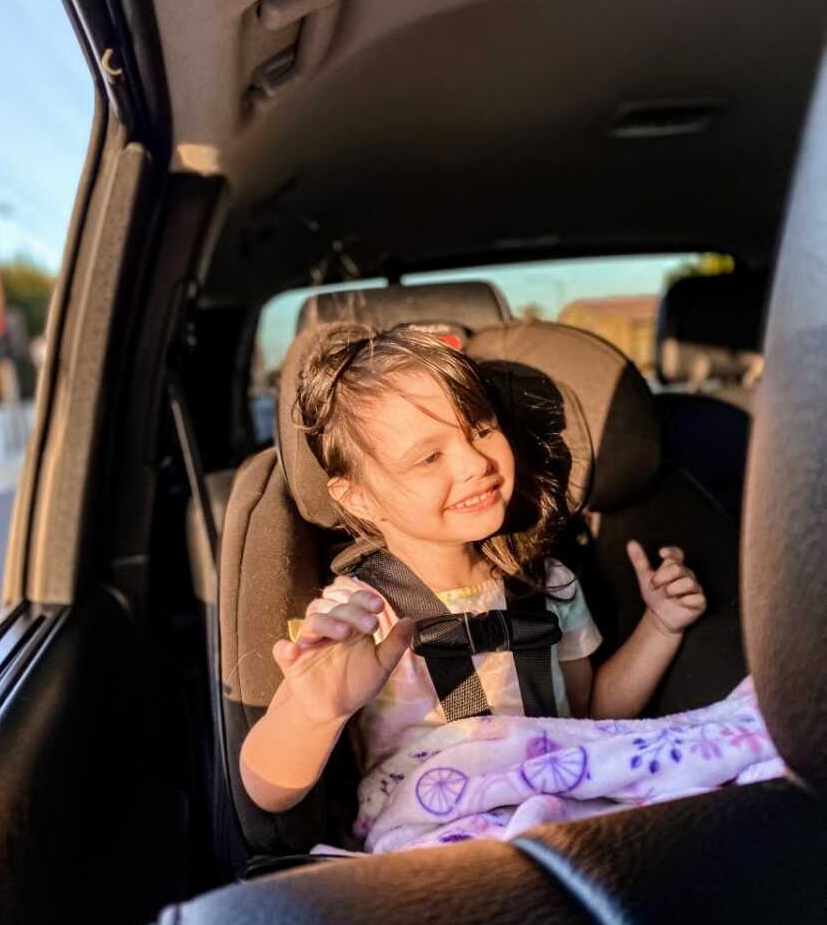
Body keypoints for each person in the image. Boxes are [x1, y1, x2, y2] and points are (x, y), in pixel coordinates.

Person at [239, 323, 708, 833]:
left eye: (481, 429)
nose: (475, 463)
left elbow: (587, 717)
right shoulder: (353, 619)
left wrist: (661, 626)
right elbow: (267, 790)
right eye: (429, 457)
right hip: (441, 841)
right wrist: (316, 713)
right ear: (358, 497)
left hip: (558, 809)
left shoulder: (548, 584)